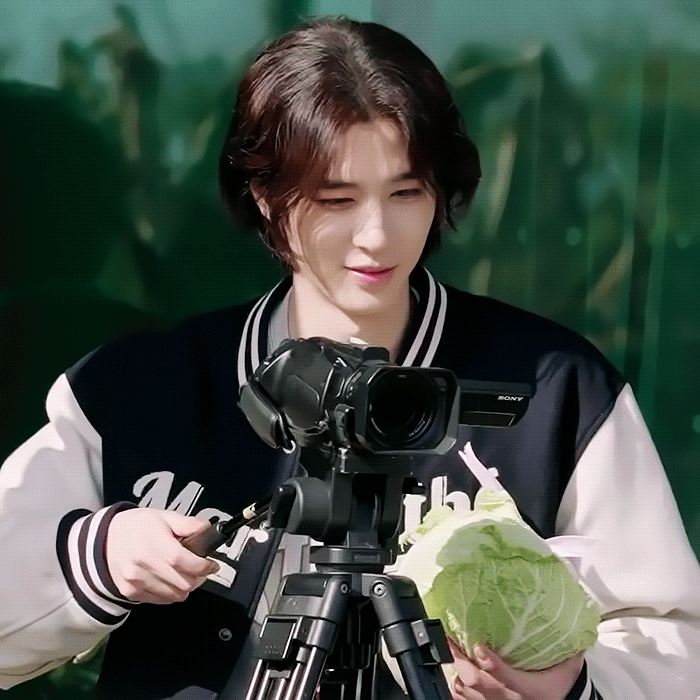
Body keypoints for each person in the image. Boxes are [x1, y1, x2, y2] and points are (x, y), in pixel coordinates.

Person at [1, 16, 699, 700]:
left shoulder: (554, 387)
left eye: (406, 192)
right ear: (265, 195)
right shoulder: (140, 386)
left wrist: (575, 687)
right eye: (336, 199)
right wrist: (98, 557)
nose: (377, 235)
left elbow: (675, 645)